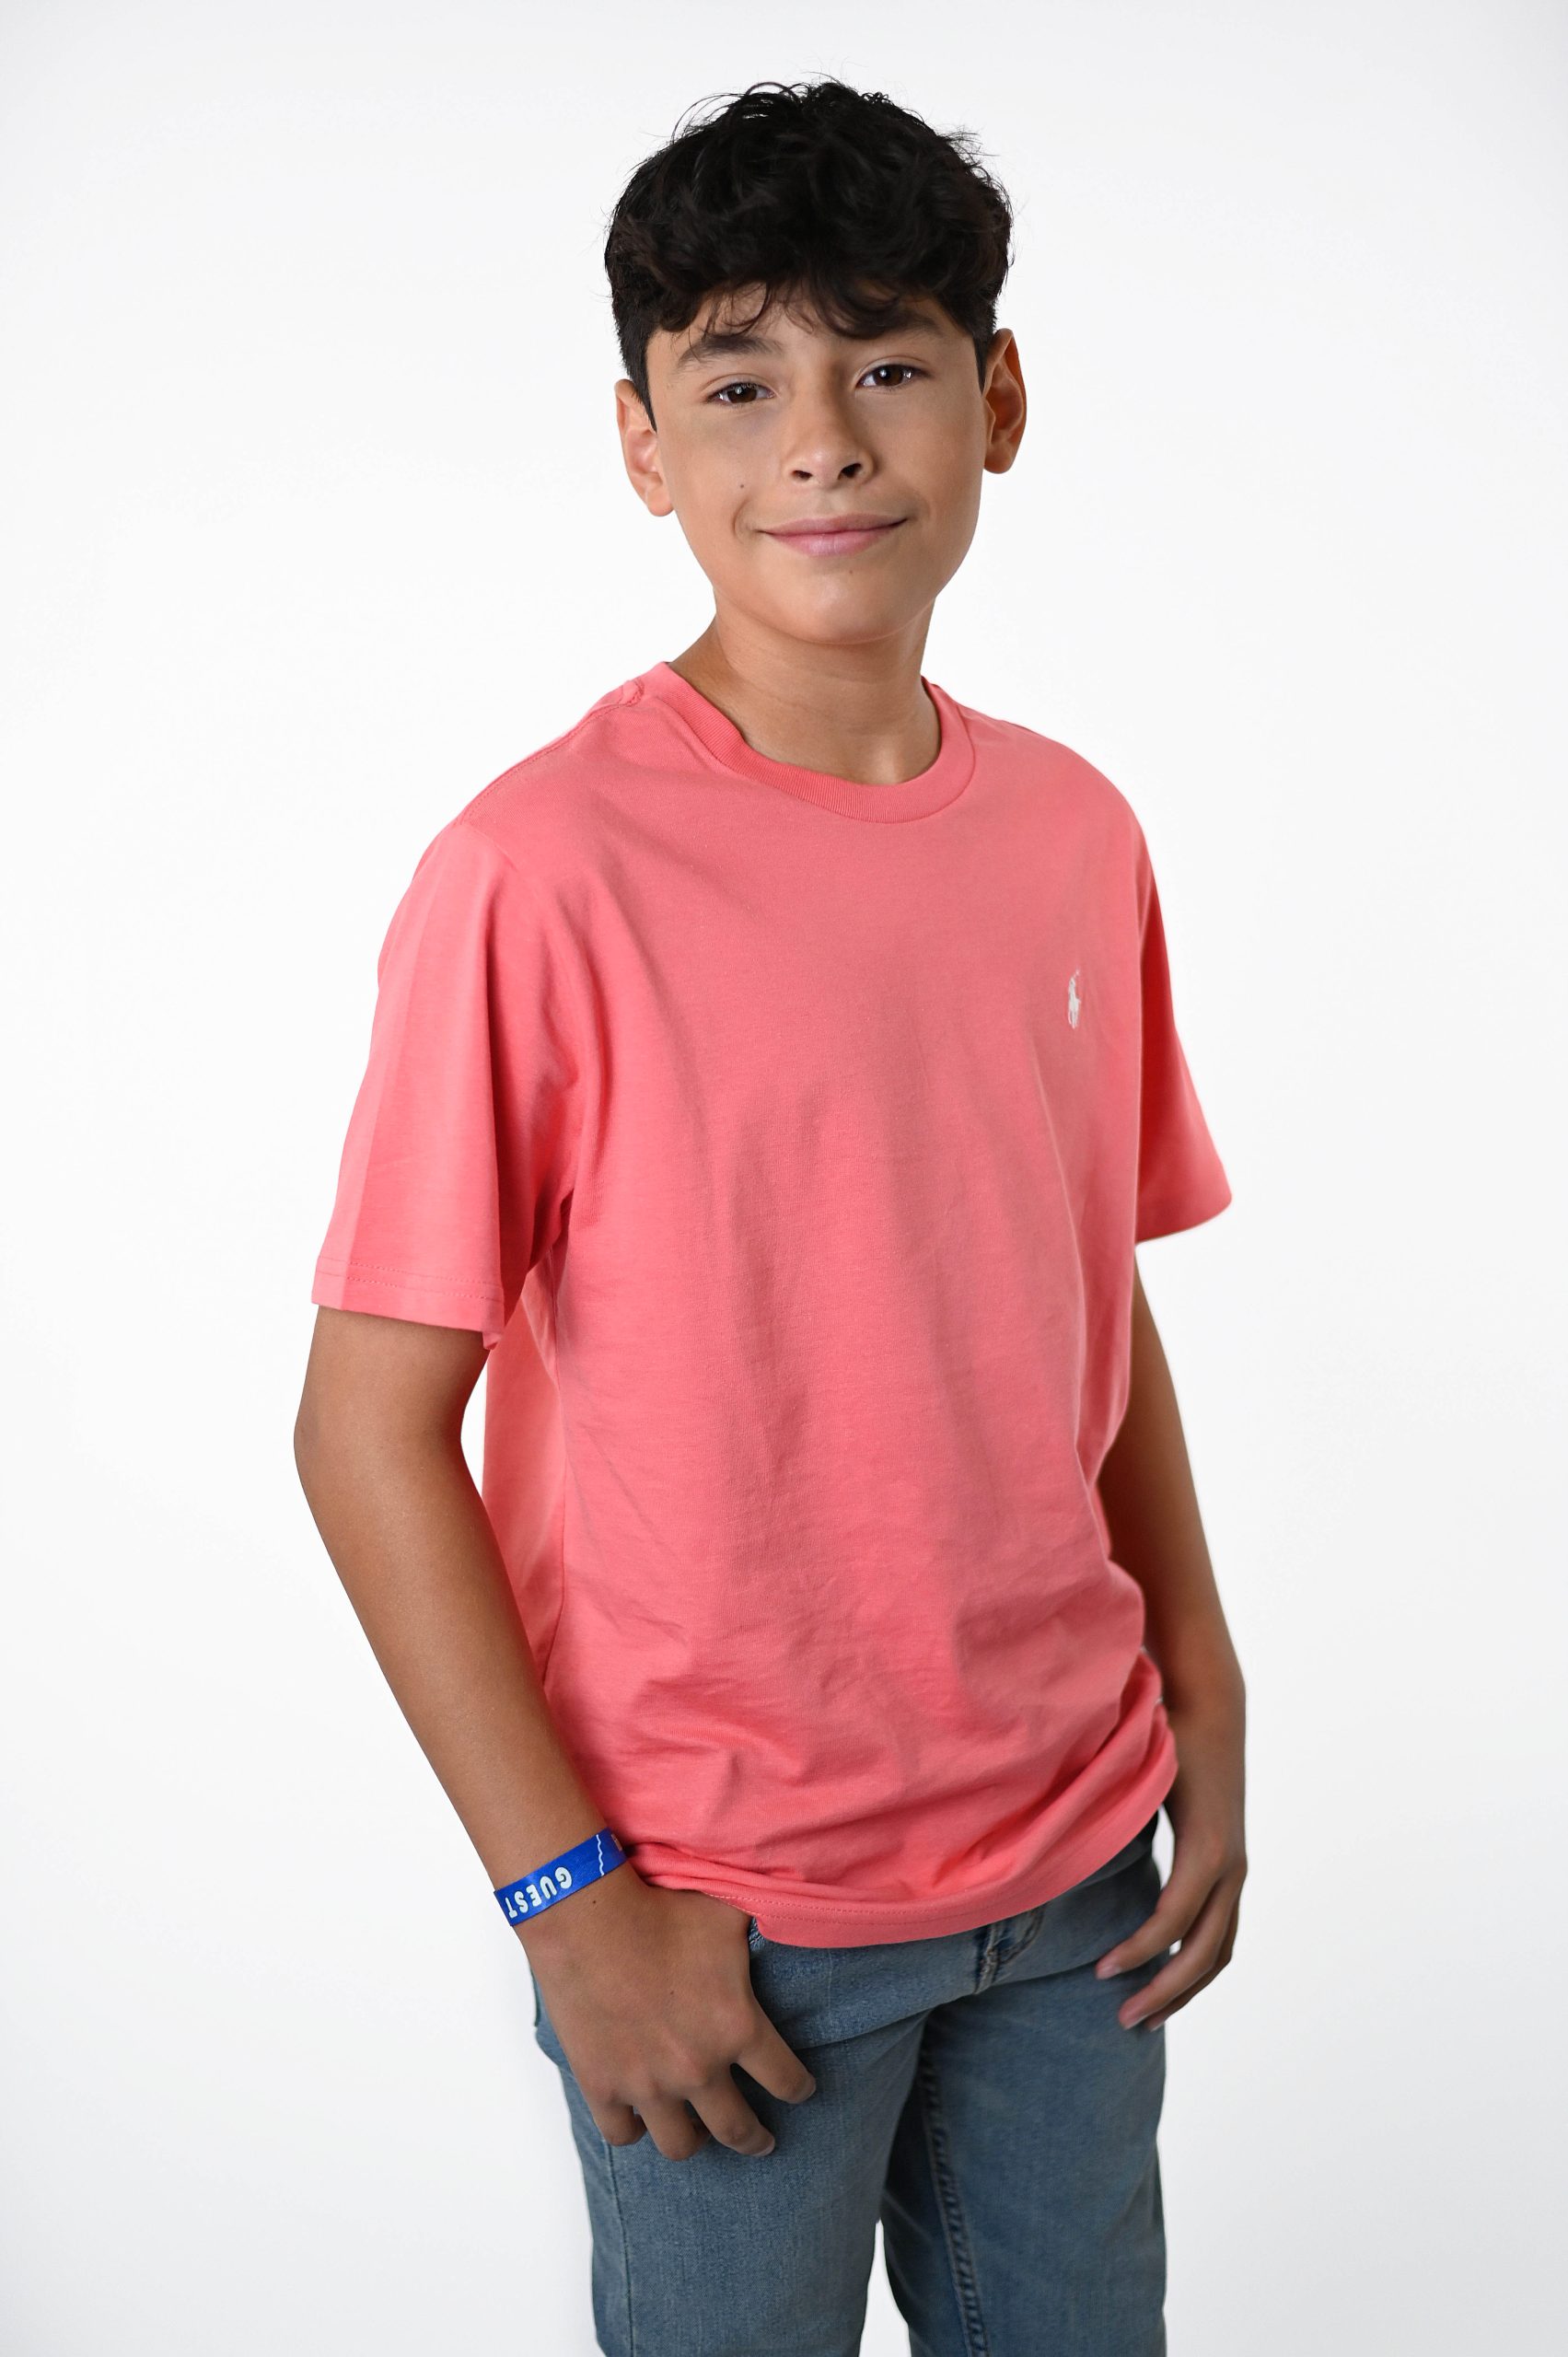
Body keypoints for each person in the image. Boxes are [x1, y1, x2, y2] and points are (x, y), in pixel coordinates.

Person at [294, 74, 1248, 2357]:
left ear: (997, 400)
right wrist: (569, 1902)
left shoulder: (1075, 833)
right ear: (643, 443)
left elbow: (1081, 1285)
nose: (820, 441)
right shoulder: (541, 872)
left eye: (887, 362)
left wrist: (1202, 1676)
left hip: (1075, 1874)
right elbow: (364, 1427)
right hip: (725, 1918)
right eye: (738, 383)